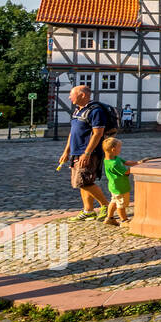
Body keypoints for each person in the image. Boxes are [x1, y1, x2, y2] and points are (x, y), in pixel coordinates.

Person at [58, 84, 110, 220]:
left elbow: (98, 133)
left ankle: (105, 204)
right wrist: (66, 151)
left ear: (82, 95)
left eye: (72, 94)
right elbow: (73, 132)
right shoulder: (77, 111)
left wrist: (87, 153)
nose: (69, 97)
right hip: (76, 151)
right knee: (84, 181)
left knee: (83, 181)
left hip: (89, 153)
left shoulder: (96, 111)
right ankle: (88, 210)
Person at [101, 137, 136, 227]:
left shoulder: (113, 158)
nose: (120, 149)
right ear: (113, 150)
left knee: (114, 201)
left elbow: (126, 162)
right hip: (120, 187)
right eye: (119, 147)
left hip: (114, 187)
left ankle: (109, 218)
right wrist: (136, 168)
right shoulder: (114, 164)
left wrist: (136, 163)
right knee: (121, 204)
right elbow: (126, 172)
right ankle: (124, 220)